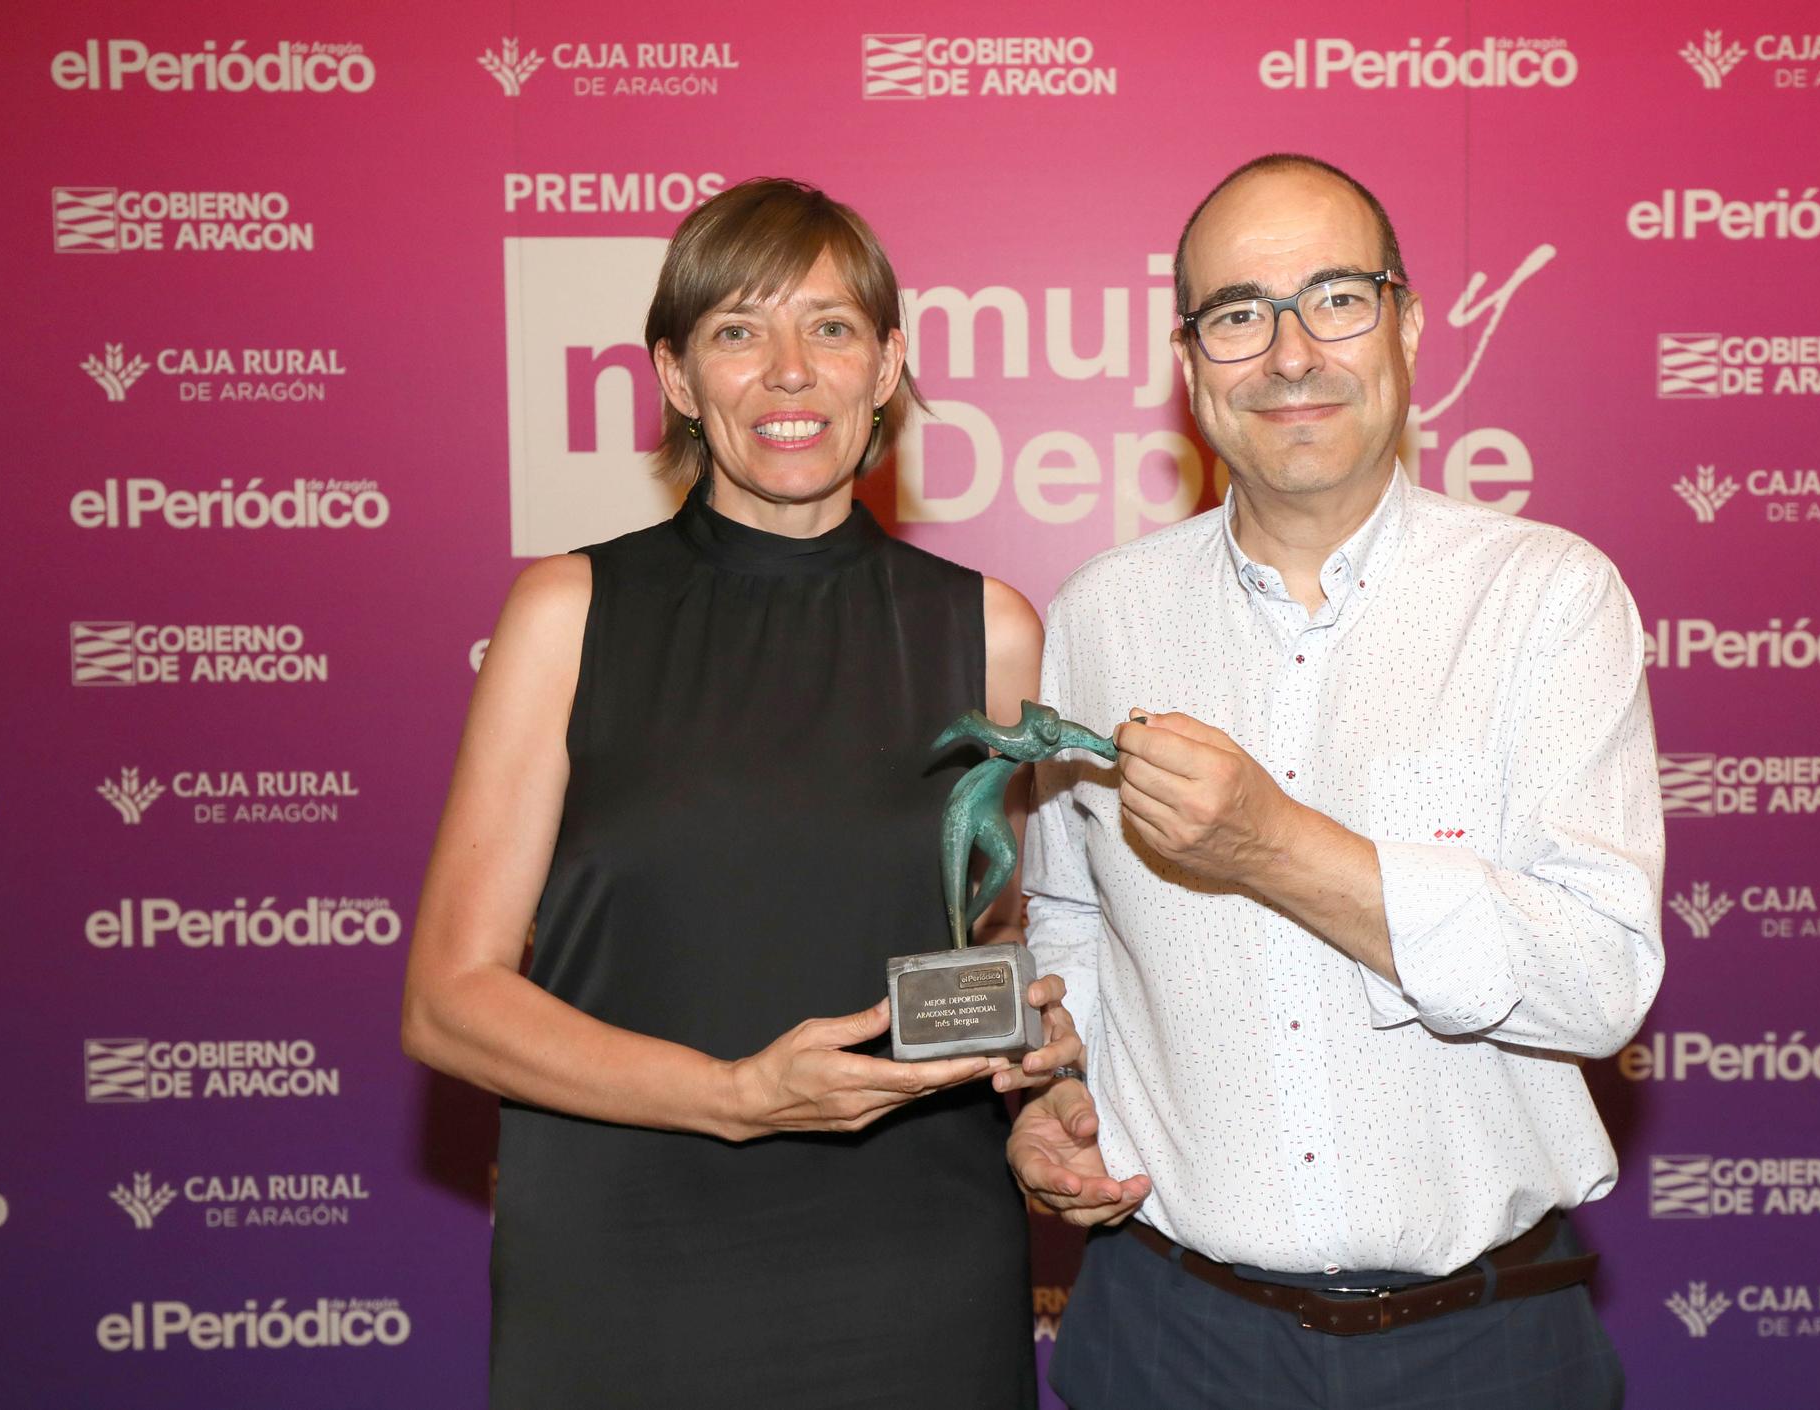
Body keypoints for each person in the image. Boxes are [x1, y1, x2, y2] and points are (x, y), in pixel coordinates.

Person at [402, 177, 1074, 1409]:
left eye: (828, 327)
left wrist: (1046, 1064)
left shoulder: (987, 632)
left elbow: (992, 948)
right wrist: (736, 1098)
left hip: (912, 1268)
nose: (786, 372)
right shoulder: (569, 614)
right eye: (735, 331)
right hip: (623, 1275)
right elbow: (449, 1003)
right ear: (672, 376)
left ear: (885, 368)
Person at [1007, 153, 1664, 1409]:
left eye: (1336, 299)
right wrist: (1063, 1093)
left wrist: (1271, 844)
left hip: (1481, 1343)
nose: (1290, 353)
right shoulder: (1100, 618)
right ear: (1191, 363)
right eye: (1239, 314)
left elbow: (1595, 984)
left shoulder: (1543, 599)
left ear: (1407, 325)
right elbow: (1072, 917)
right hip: (1164, 1334)